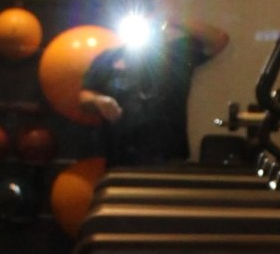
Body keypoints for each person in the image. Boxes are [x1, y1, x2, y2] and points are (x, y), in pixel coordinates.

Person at [76, 18, 230, 167]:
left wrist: (174, 20)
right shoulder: (108, 58)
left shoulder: (175, 55)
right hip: (120, 156)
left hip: (169, 156)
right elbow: (85, 95)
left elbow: (218, 40)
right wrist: (99, 101)